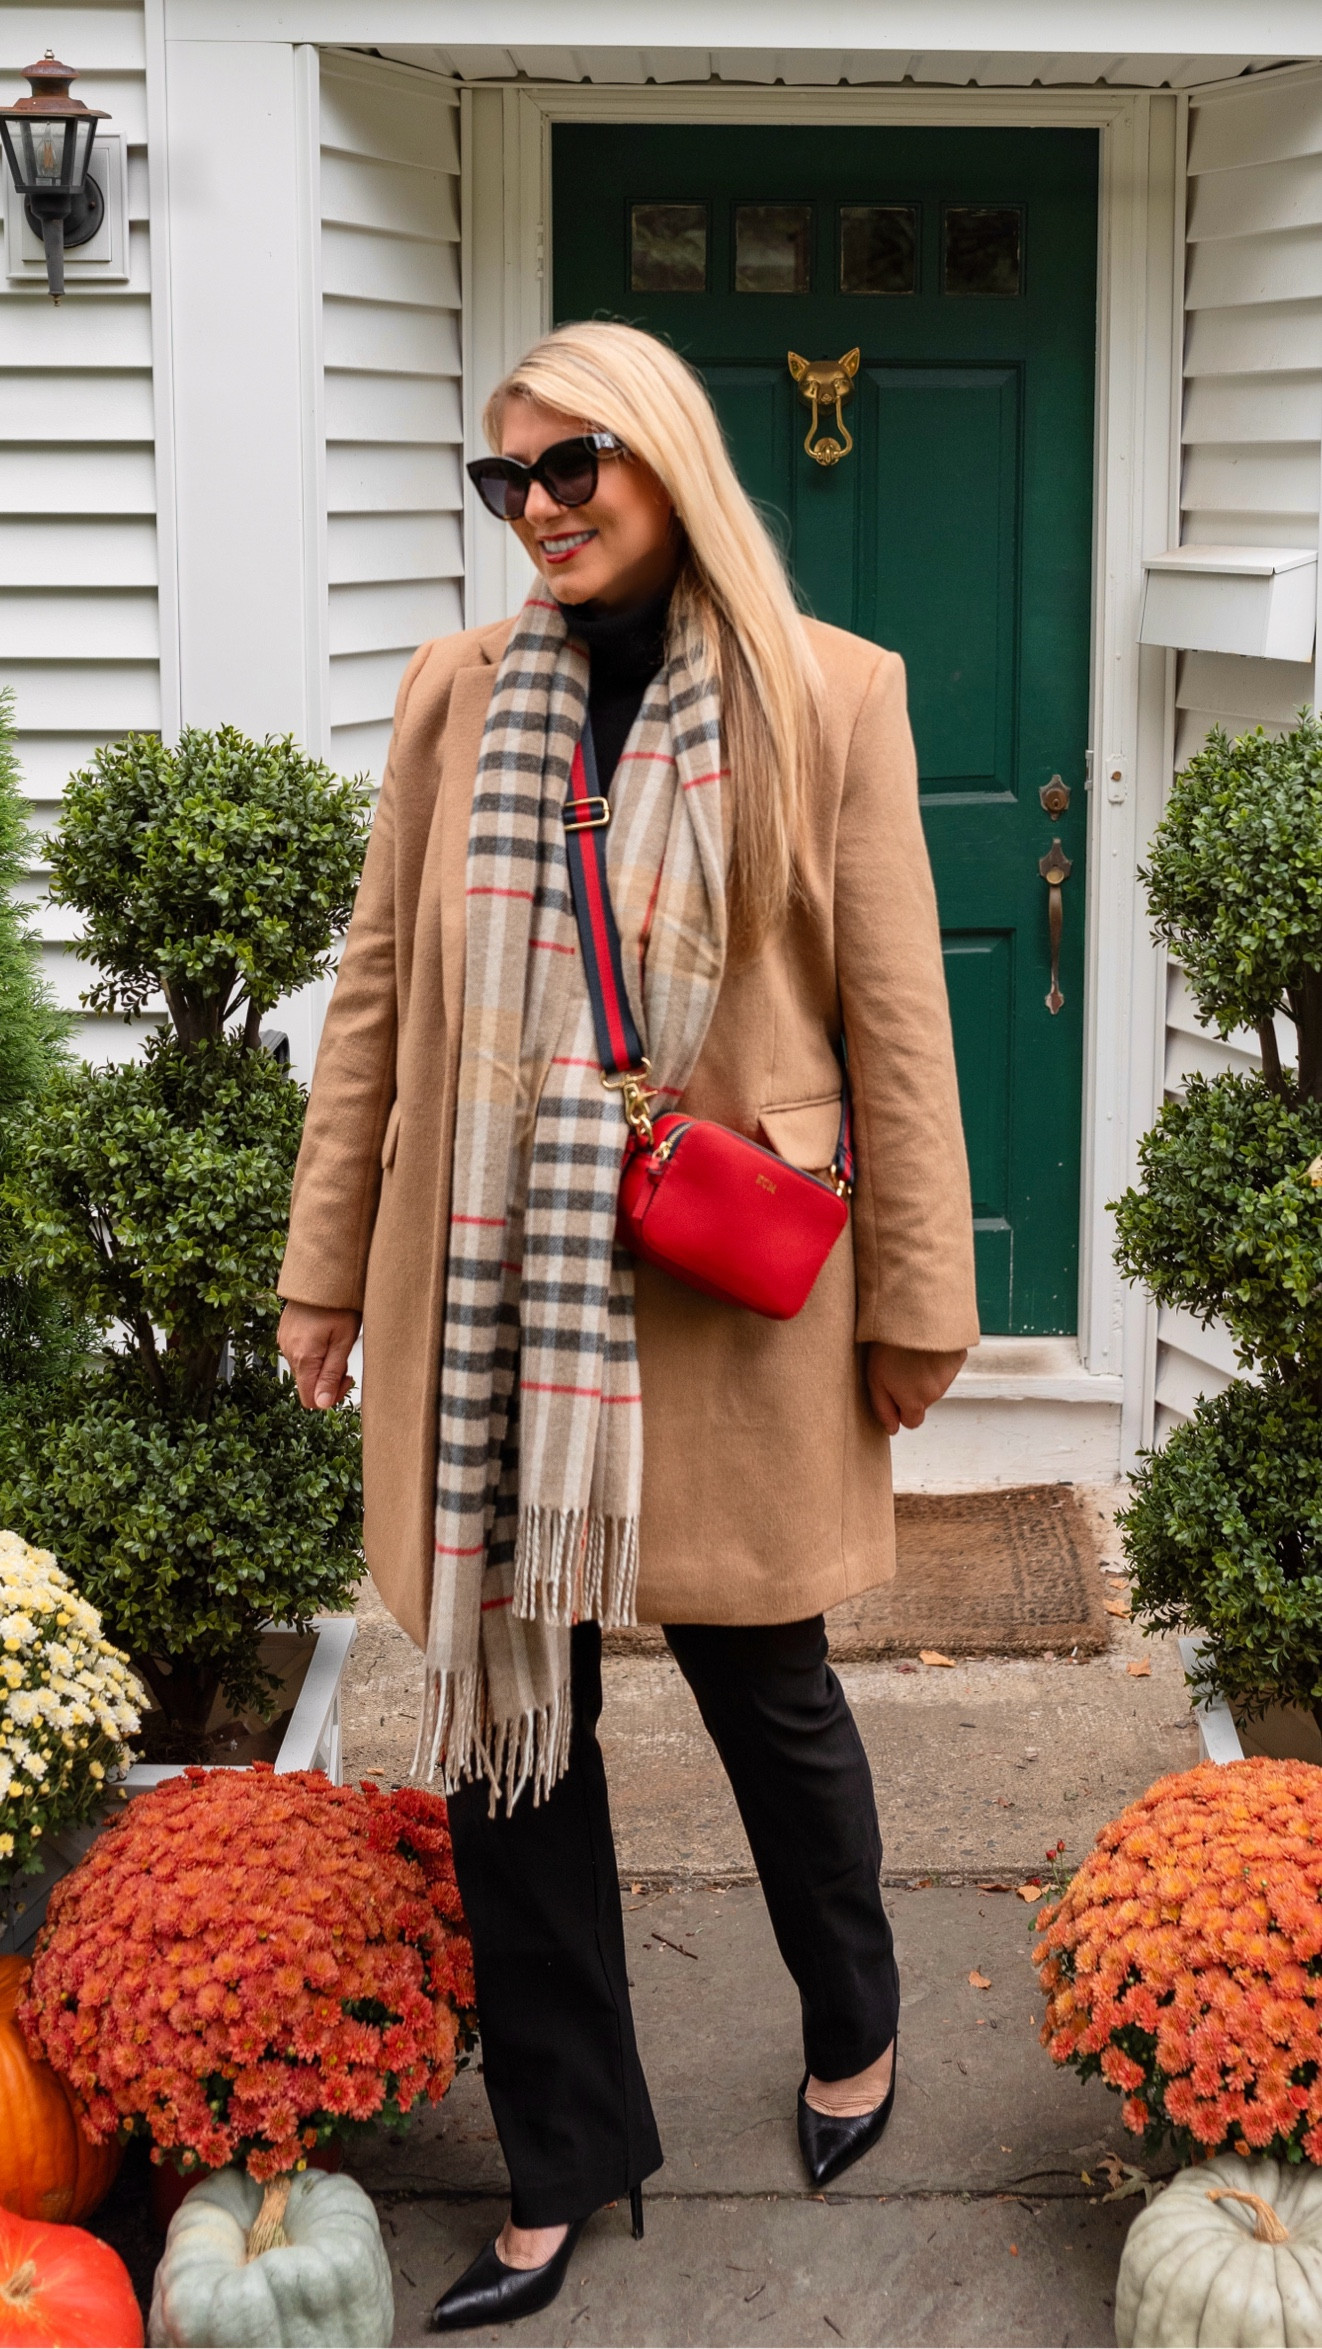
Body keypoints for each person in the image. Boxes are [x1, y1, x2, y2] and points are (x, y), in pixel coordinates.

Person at [278, 319, 978, 2331]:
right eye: (506, 481)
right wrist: (325, 1271)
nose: (540, 510)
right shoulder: (452, 696)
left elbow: (895, 1019)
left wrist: (914, 1294)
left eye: (572, 463)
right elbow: (381, 999)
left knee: (773, 1691)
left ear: (666, 456)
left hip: (714, 1290)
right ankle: (564, 2152)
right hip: (495, 1295)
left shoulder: (827, 694)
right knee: (518, 1737)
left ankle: (853, 2020)